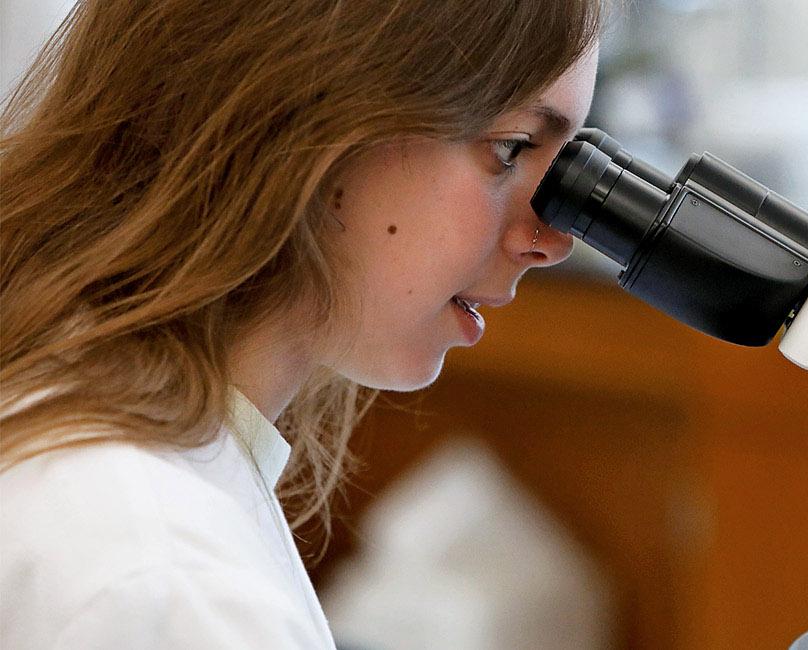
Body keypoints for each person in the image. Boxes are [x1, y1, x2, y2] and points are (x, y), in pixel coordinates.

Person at [0, 0, 602, 646]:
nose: (551, 240)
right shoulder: (173, 588)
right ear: (312, 108)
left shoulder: (60, 401)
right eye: (512, 149)